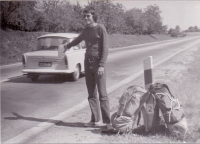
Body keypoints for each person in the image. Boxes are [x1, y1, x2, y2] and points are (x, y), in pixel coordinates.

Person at [63, 8, 113, 130]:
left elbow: (105, 48)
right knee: (91, 94)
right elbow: (77, 40)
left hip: (98, 65)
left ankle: (108, 123)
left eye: (88, 16)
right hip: (87, 64)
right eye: (84, 16)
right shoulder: (86, 30)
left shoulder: (100, 28)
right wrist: (67, 46)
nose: (86, 18)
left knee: (103, 94)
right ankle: (95, 120)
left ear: (93, 16)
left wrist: (101, 65)